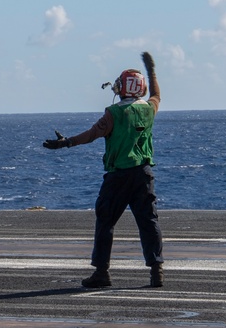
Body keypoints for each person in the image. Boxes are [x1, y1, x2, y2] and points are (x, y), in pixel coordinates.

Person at [43, 52, 164, 288]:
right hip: (143, 174)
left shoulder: (114, 113)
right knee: (149, 222)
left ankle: (101, 272)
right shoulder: (149, 109)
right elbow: (157, 95)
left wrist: (67, 142)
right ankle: (156, 271)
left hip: (118, 176)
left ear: (123, 88)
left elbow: (91, 135)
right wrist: (152, 70)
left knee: (106, 221)